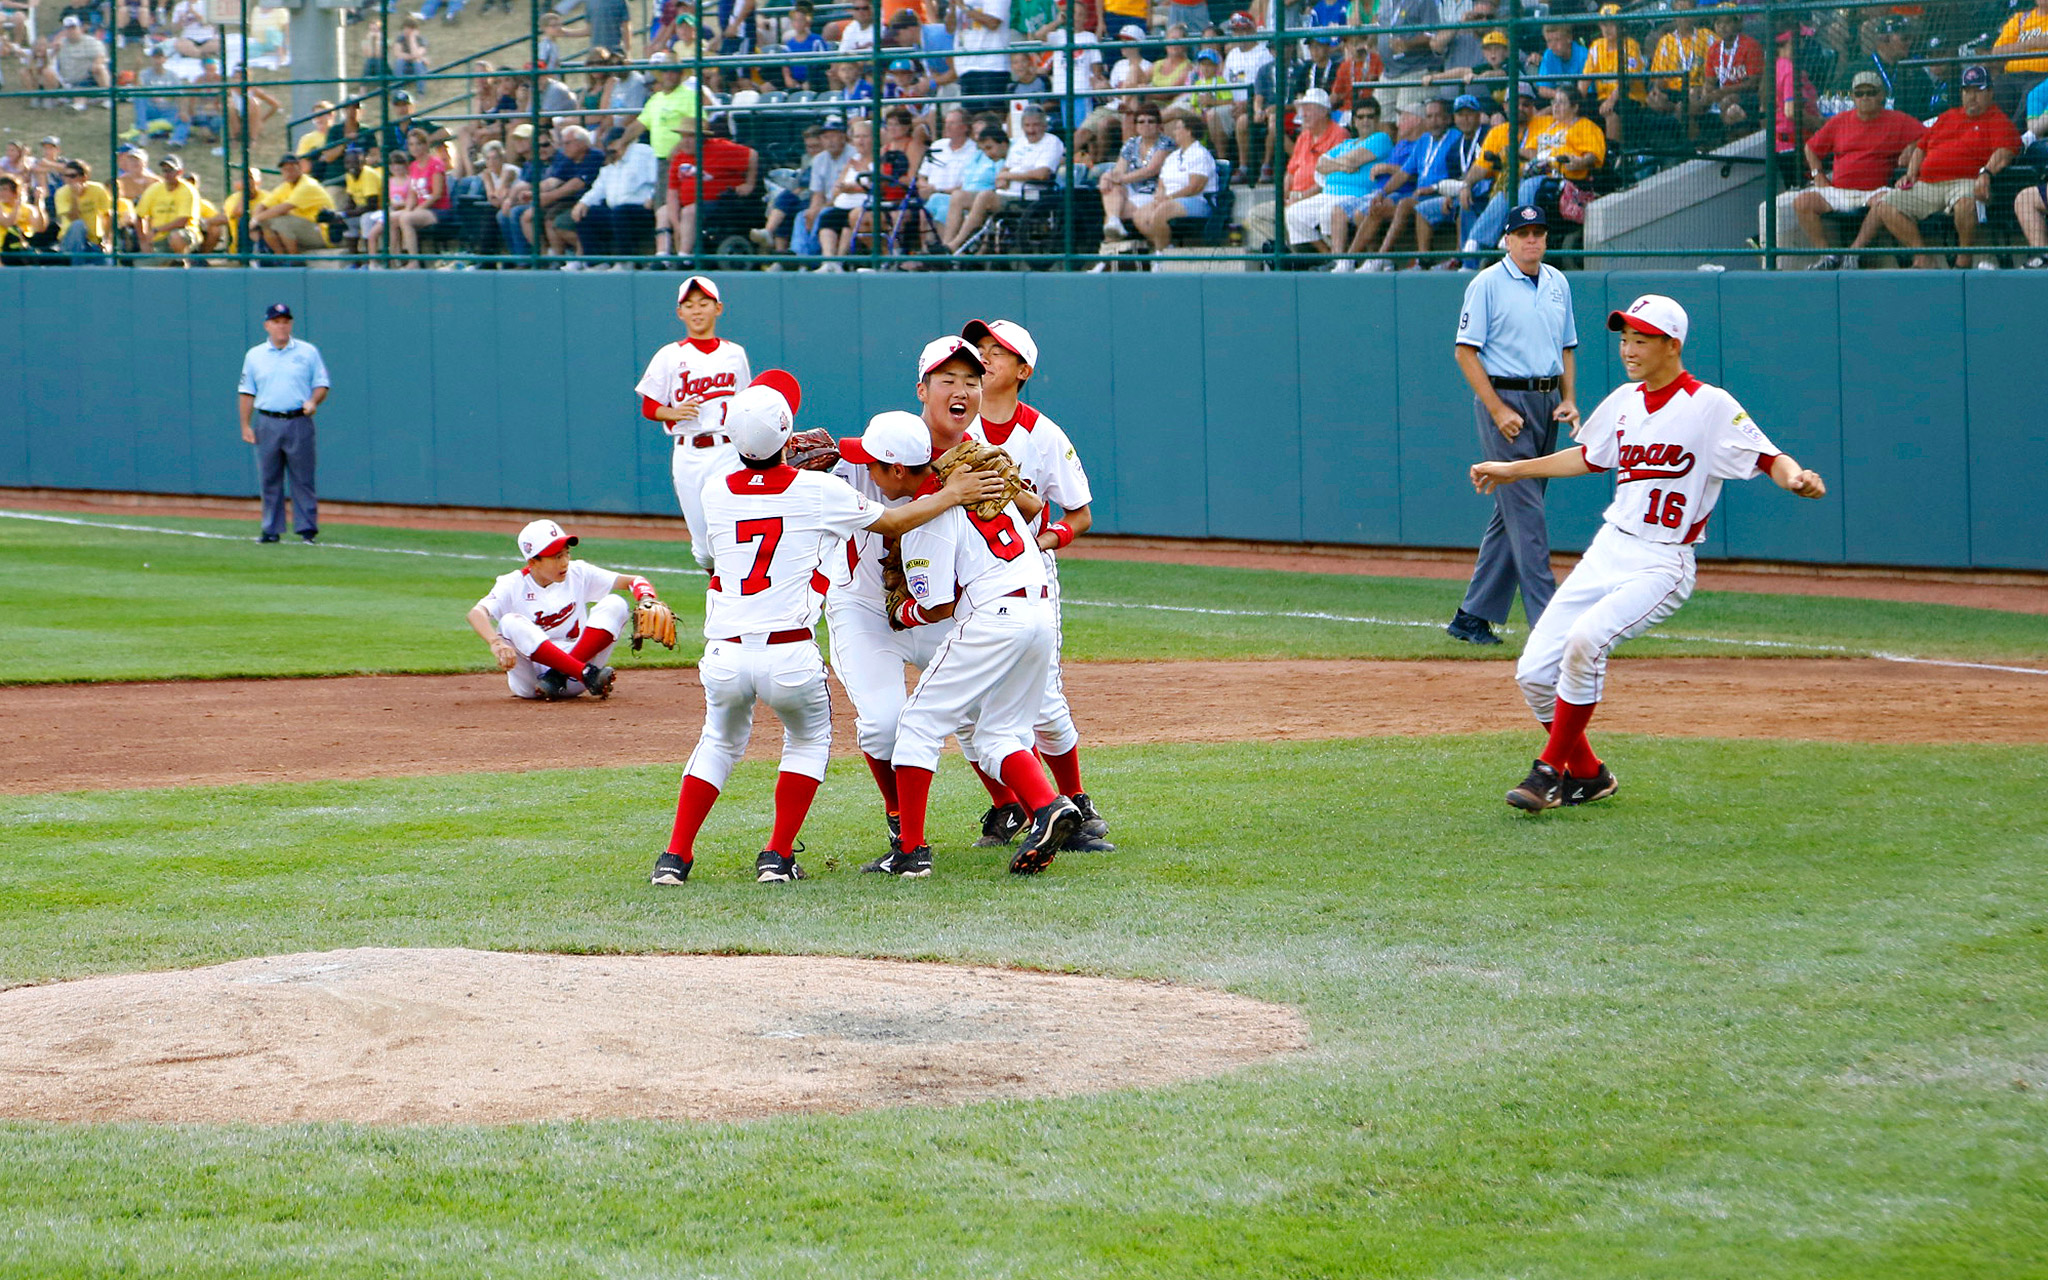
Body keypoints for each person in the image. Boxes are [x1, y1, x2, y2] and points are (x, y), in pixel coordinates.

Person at [1472, 295, 1825, 812]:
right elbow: (1589, 457)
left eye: (1642, 338)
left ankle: (1548, 771)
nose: (1629, 348)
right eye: (1624, 338)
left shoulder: (1710, 404)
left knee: (1587, 642)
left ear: (1672, 345)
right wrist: (1512, 469)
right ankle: (1589, 775)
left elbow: (1768, 455)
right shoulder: (1623, 401)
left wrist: (1794, 478)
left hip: (1664, 561)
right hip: (1610, 548)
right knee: (1533, 673)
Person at [652, 375, 1006, 886]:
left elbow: (710, 558)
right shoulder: (818, 489)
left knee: (718, 743)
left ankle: (675, 859)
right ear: (788, 434)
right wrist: (952, 493)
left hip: (725, 650)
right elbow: (893, 522)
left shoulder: (712, 490)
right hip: (788, 651)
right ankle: (776, 856)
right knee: (808, 739)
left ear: (730, 437)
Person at [961, 318, 1113, 853]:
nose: (983, 358)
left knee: (1044, 699)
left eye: (996, 352)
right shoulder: (954, 423)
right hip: (965, 574)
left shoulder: (1044, 434)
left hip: (1026, 576)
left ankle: (1074, 802)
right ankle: (1010, 807)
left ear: (1022, 371)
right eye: (979, 349)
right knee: (966, 704)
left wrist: (1047, 538)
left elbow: (1081, 514)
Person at [1447, 204, 1578, 646]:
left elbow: (1567, 347)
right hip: (1505, 402)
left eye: (1539, 232)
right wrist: (1497, 409)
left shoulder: (1558, 282)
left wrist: (1570, 399)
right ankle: (1550, 627)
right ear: (1507, 239)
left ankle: (1472, 615)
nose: (1532, 240)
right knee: (1528, 515)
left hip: (1546, 402)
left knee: (1513, 514)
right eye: (1523, 233)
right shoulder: (1487, 283)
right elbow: (1465, 351)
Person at [469, 519, 666, 703]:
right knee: (509, 622)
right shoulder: (512, 584)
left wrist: (647, 598)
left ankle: (560, 675)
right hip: (531, 683)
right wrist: (495, 642)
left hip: (576, 679)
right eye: (556, 557)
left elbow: (633, 581)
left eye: (566, 553)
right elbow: (476, 613)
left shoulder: (578, 573)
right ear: (533, 562)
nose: (564, 562)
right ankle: (582, 672)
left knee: (616, 603)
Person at [1848, 65, 2020, 270]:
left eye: (1978, 90)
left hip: (1964, 182)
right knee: (1886, 205)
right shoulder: (1948, 116)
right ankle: (1922, 256)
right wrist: (1911, 174)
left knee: (1966, 203)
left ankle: (1964, 259)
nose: (1972, 96)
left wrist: (1986, 172)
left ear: (1990, 92)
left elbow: (2005, 151)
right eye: (1967, 91)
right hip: (1927, 184)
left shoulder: (1997, 119)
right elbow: (1921, 148)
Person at [636, 276, 751, 569]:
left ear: (718, 308)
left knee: (731, 529)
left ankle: (735, 598)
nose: (697, 310)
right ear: (680, 313)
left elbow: (746, 404)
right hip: (689, 453)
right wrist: (671, 412)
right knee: (704, 547)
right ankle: (716, 590)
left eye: (703, 303)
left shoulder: (734, 353)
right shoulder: (670, 355)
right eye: (689, 305)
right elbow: (649, 407)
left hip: (728, 450)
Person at [1773, 70, 1921, 268]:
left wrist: (1910, 149)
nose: (1865, 97)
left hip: (1874, 191)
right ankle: (1827, 256)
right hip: (1838, 190)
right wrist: (1818, 174)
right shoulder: (1840, 121)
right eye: (1859, 94)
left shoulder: (1897, 120)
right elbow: (1810, 148)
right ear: (1852, 97)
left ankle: (1854, 252)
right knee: (1802, 202)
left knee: (1885, 201)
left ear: (1881, 95)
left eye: (1871, 92)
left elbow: (1926, 137)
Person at [237, 302, 331, 545]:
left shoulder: (307, 352)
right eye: (277, 322)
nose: (282, 326)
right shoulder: (255, 355)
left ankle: (307, 529)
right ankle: (271, 529)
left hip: (298, 419)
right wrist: (245, 425)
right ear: (267, 325)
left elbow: (321, 383)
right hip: (268, 420)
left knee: (303, 478)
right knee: (269, 477)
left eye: (286, 321)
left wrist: (313, 401)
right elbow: (247, 391)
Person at [1133, 109, 1215, 252]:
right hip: (1169, 200)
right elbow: (1162, 182)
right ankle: (1166, 249)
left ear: (1189, 132)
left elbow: (1195, 187)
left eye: (1177, 128)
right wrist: (1160, 195)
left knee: (1161, 212)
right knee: (1139, 215)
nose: (1174, 132)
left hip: (1197, 201)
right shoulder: (1173, 156)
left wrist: (1169, 198)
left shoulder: (1200, 154)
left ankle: (1161, 257)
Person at [573, 137, 658, 261]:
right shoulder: (610, 165)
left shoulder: (643, 153)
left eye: (614, 149)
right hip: (616, 211)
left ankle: (625, 262)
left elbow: (657, 180)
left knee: (621, 212)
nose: (611, 153)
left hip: (642, 209)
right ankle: (595, 263)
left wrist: (652, 197)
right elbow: (598, 189)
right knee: (587, 214)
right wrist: (583, 202)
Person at [1098, 101, 1170, 241]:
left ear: (1158, 125)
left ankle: (1109, 253)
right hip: (1131, 190)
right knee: (1111, 189)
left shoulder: (1165, 143)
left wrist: (1119, 179)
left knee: (1114, 212)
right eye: (1141, 122)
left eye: (1151, 121)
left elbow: (1150, 171)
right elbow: (1119, 170)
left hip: (1153, 193)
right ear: (1136, 125)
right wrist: (1107, 176)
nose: (1146, 125)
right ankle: (1114, 224)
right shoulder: (1131, 143)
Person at [251, 152, 335, 256]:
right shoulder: (286, 186)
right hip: (304, 229)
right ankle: (280, 258)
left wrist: (255, 219)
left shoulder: (308, 185)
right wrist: (254, 220)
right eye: (285, 170)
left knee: (281, 221)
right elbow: (262, 205)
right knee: (266, 222)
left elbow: (283, 208)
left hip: (323, 233)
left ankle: (294, 259)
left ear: (300, 168)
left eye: (292, 169)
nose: (288, 173)